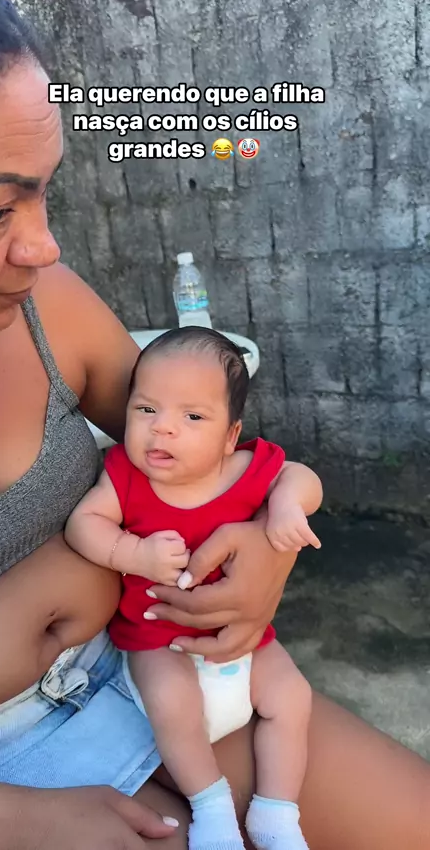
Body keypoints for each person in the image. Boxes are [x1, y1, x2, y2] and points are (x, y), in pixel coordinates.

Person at [0, 0, 429, 849]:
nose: (44, 246)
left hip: (152, 659)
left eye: (44, 194)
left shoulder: (46, 306)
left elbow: (207, 441)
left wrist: (267, 542)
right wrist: (2, 820)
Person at [65, 327, 323, 850]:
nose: (163, 428)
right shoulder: (125, 477)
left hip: (243, 635)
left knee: (292, 697)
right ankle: (211, 806)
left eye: (193, 417)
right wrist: (132, 553)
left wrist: (286, 506)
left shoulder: (248, 469)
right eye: (146, 409)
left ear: (231, 435)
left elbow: (302, 478)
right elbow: (83, 524)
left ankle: (277, 812)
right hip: (157, 635)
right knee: (171, 704)